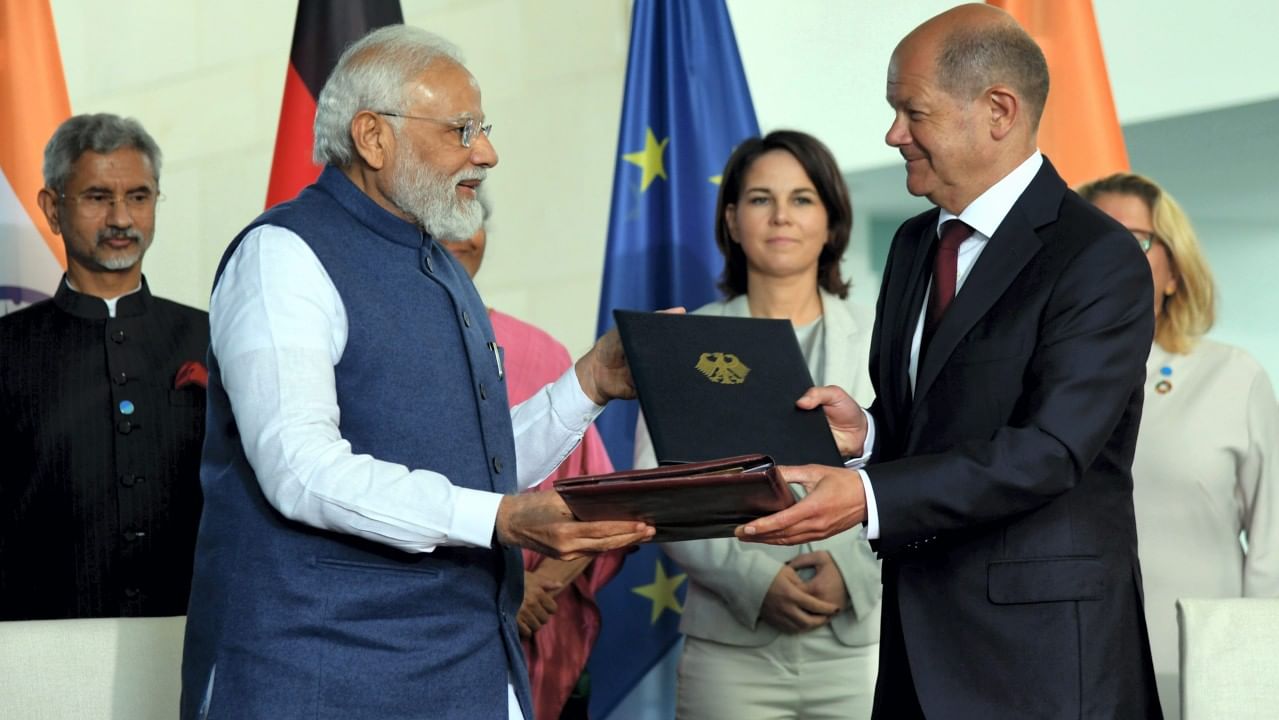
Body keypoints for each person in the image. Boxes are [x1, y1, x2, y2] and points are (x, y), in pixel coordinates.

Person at [180, 26, 652, 720]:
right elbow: (301, 469)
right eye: (462, 130)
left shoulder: (439, 265)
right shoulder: (281, 256)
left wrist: (589, 383)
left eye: (482, 129)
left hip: (465, 666)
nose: (486, 154)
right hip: (318, 674)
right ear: (372, 138)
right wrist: (502, 519)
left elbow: (474, 466)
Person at [737, 5, 1163, 718]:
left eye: (913, 112)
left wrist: (869, 498)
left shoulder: (1097, 256)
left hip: (1042, 661)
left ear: (998, 111)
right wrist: (870, 436)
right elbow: (938, 423)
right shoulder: (912, 247)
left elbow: (1052, 449)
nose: (893, 134)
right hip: (916, 648)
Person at [632, 130, 880, 719]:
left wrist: (850, 572)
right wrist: (753, 580)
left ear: (831, 220)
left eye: (801, 199)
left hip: (864, 641)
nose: (781, 216)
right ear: (732, 219)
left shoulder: (884, 337)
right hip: (731, 648)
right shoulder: (686, 342)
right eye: (761, 198)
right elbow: (658, 486)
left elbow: (925, 472)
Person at [1079, 172, 1279, 719]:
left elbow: (1272, 547)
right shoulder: (1040, 385)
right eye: (1093, 237)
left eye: (1136, 240)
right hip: (1073, 661)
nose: (1112, 255)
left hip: (1206, 665)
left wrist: (1257, 673)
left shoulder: (1233, 377)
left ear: (1174, 271)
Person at [0, 113, 208, 621]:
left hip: (191, 634)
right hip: (41, 643)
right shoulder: (6, 349)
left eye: (138, 197)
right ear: (52, 208)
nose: (121, 218)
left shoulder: (212, 337)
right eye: (97, 197)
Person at [444, 190, 625, 720]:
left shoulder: (540, 351)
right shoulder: (379, 347)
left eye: (472, 220)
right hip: (431, 630)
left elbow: (598, 498)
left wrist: (535, 587)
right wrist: (498, 596)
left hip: (538, 627)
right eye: (441, 222)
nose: (460, 236)